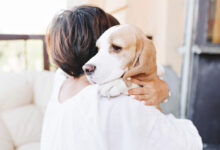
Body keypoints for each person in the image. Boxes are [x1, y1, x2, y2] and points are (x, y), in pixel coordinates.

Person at [41, 5, 202, 150]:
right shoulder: (118, 101)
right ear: (97, 48)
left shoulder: (61, 81)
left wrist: (161, 88)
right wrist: (162, 90)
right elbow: (188, 143)